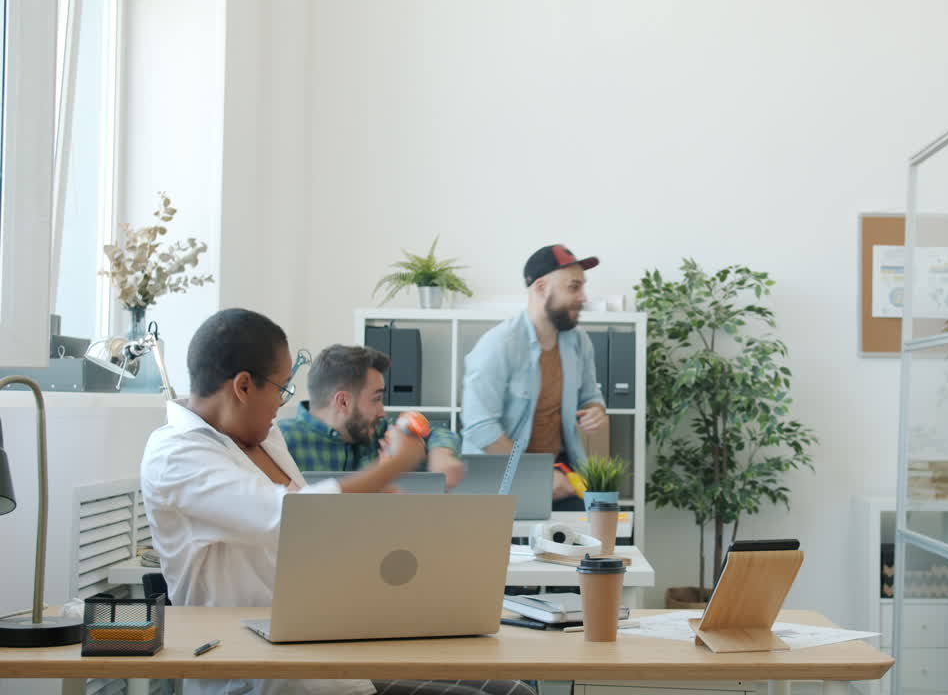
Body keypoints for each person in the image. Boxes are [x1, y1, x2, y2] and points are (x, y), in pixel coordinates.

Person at [140, 308, 533, 695]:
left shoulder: (265, 438)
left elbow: (315, 535)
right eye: (281, 388)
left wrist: (375, 507)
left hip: (320, 647)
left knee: (510, 686)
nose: (282, 403)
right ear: (243, 386)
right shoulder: (175, 456)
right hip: (261, 675)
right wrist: (390, 468)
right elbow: (292, 518)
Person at [461, 244, 607, 509]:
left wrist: (595, 410)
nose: (583, 297)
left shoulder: (579, 341)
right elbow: (480, 427)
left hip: (559, 472)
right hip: (501, 477)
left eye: (583, 287)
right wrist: (535, 475)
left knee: (603, 526)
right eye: (574, 287)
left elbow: (591, 396)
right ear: (541, 287)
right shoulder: (497, 345)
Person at [279, 344, 466, 489]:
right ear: (343, 402)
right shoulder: (282, 441)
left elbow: (435, 433)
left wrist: (441, 454)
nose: (382, 412)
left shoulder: (377, 430)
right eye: (376, 399)